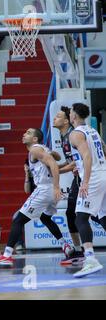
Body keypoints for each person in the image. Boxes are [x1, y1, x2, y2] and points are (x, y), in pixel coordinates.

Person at [0, 128, 73, 267]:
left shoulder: (34, 149)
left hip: (45, 189)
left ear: (35, 139)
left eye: (27, 133)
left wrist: (57, 186)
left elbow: (53, 163)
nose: (23, 134)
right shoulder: (41, 149)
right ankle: (66, 247)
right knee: (45, 218)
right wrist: (56, 158)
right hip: (50, 191)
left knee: (18, 220)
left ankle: (7, 255)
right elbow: (56, 159)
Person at [69, 103, 106, 277]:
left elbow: (87, 155)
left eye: (70, 113)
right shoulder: (92, 130)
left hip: (94, 178)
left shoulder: (75, 134)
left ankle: (90, 259)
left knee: (81, 218)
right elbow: (102, 150)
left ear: (74, 116)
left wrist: (86, 180)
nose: (69, 115)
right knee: (104, 216)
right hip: (103, 173)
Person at [53, 106, 85, 264]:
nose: (54, 118)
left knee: (80, 214)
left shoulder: (72, 135)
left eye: (58, 116)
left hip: (84, 177)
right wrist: (55, 166)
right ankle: (79, 250)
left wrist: (55, 171)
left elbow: (75, 164)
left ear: (66, 120)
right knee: (73, 214)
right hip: (80, 177)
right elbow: (71, 161)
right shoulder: (64, 135)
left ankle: (81, 250)